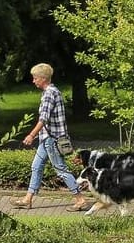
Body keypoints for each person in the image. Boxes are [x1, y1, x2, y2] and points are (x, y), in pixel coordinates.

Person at [13, 62, 87, 211]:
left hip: (51, 139)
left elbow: (43, 119)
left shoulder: (49, 94)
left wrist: (31, 135)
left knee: (61, 169)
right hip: (48, 138)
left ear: (43, 78)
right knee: (36, 166)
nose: (33, 81)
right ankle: (28, 199)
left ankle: (80, 200)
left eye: (35, 78)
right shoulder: (54, 91)